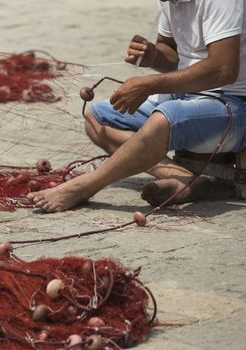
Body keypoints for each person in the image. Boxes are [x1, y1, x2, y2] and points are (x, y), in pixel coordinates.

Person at [28, 0, 246, 213]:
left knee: (163, 120)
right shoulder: (169, 2)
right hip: (188, 93)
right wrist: (153, 56)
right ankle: (186, 179)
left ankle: (84, 186)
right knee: (97, 118)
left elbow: (223, 69)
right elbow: (172, 53)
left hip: (234, 103)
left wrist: (149, 85)